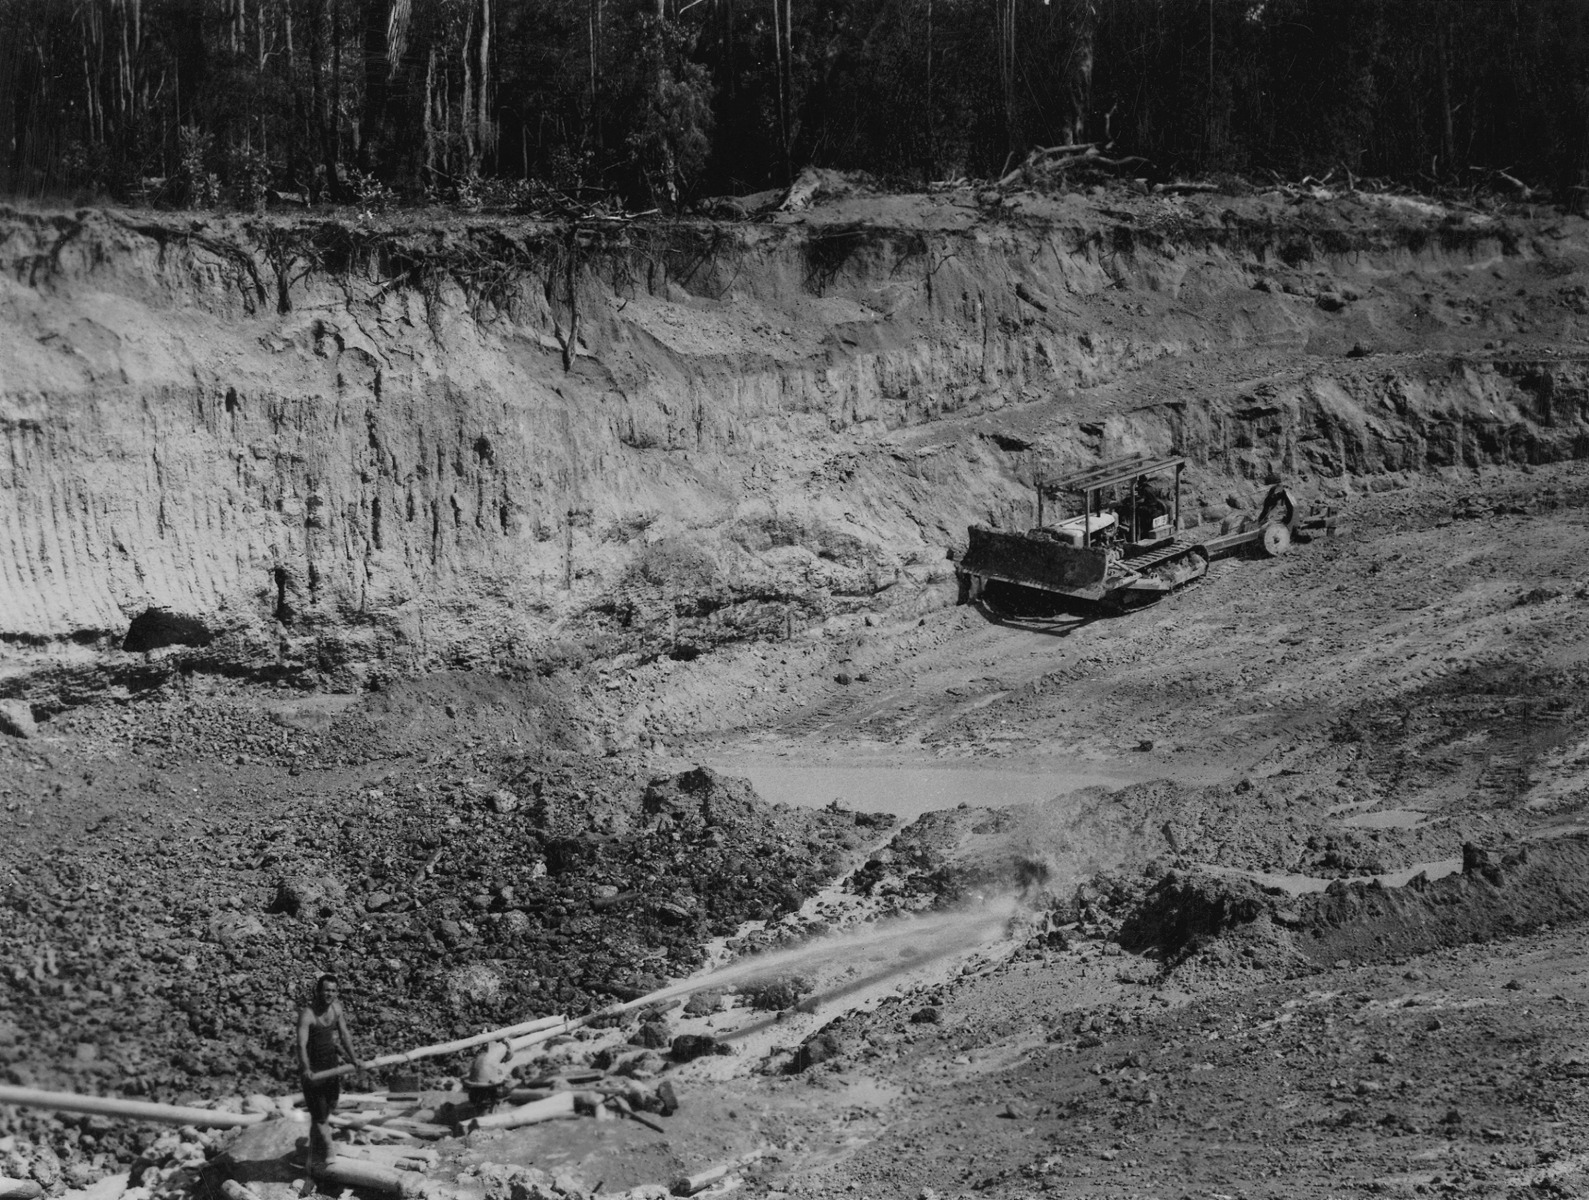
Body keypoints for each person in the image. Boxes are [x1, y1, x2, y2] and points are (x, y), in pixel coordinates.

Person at [296, 973, 367, 1167]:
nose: (330, 994)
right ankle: (329, 1151)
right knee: (320, 1115)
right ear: (318, 991)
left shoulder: (336, 1008)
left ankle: (313, 1148)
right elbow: (301, 1045)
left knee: (329, 1107)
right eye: (326, 990)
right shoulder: (308, 1014)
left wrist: (354, 1059)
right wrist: (306, 1069)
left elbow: (344, 1035)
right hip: (314, 1070)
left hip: (331, 1066)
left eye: (333, 991)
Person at [466, 1039, 515, 1111]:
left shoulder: (483, 1056)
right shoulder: (489, 1057)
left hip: (479, 1082)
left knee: (480, 1096)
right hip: (489, 1082)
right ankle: (488, 1105)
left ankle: (481, 1104)